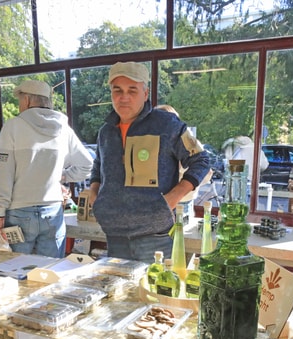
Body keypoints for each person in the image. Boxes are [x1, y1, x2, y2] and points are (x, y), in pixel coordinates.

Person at [87, 62, 210, 262]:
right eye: (117, 90)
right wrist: (94, 195)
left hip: (155, 236)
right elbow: (98, 166)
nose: (123, 97)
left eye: (132, 90)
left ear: (145, 94)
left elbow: (201, 160)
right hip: (114, 233)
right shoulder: (106, 132)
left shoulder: (167, 124)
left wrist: (171, 199)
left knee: (152, 291)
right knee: (120, 292)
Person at [0, 79, 93, 258]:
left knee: (17, 270)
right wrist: (61, 177)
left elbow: (3, 175)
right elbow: (86, 165)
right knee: (51, 271)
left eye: (20, 100)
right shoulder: (63, 128)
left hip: (19, 212)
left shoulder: (13, 126)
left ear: (28, 100)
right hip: (53, 211)